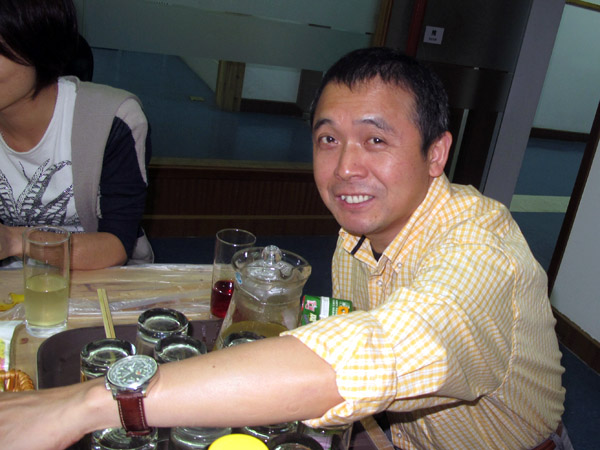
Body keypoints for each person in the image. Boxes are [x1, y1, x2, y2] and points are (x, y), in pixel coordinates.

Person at [0, 47, 570, 450]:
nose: (345, 167)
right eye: (328, 139)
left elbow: (390, 349)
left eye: (376, 139)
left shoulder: (481, 247)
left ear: (436, 153)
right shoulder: (357, 233)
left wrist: (90, 403)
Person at [0, 0, 153, 270]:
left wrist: (15, 241)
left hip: (98, 277)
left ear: (38, 45)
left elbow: (116, 245)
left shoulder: (114, 120)